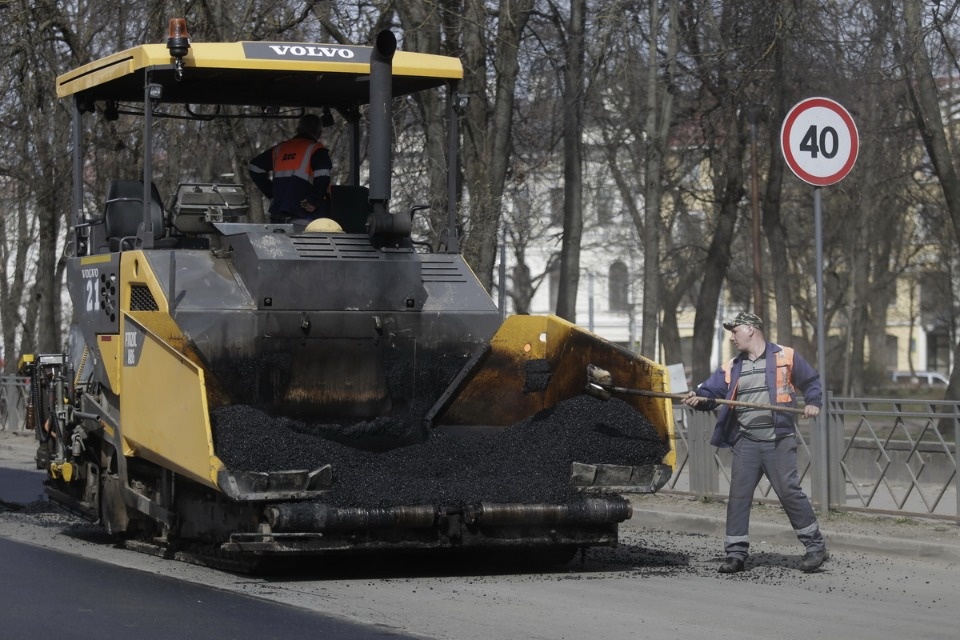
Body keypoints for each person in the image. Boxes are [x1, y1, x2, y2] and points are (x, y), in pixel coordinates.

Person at [681, 311, 828, 574]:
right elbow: (711, 392)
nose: (732, 336)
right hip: (746, 442)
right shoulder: (732, 366)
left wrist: (814, 403)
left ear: (750, 329)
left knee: (789, 493)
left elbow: (811, 382)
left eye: (735, 331)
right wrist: (698, 397)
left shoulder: (786, 356)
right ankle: (736, 553)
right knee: (739, 497)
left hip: (778, 440)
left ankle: (815, 548)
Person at [248, 113, 332, 225]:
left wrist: (271, 193)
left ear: (298, 129)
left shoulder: (280, 149)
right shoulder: (317, 150)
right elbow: (323, 178)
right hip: (304, 218)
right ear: (319, 133)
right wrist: (313, 201)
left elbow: (254, 167)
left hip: (278, 217)